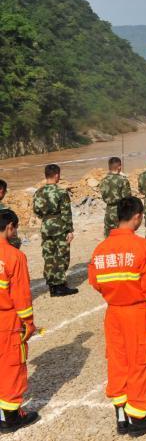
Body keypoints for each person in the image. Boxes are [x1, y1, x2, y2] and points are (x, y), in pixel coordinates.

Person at [88, 196, 146, 436]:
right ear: (137, 217)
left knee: (118, 362)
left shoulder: (101, 249)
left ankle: (121, 416)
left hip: (113, 313)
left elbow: (95, 281)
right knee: (141, 363)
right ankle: (139, 418)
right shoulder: (143, 247)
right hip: (137, 312)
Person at [0, 210, 39, 432]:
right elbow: (21, 295)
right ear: (10, 228)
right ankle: (11, 417)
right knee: (11, 366)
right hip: (6, 321)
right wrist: (28, 321)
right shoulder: (14, 256)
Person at [31, 164, 78, 296]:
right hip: (60, 226)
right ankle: (60, 286)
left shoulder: (38, 192)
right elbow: (66, 213)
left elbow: (37, 211)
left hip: (46, 226)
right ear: (57, 175)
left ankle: (52, 284)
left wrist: (47, 218)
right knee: (61, 255)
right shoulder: (61, 192)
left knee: (48, 255)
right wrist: (70, 230)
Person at [100, 156, 132, 238]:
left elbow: (104, 196)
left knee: (109, 235)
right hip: (120, 211)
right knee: (121, 235)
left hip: (108, 211)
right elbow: (127, 198)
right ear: (119, 167)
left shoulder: (103, 180)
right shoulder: (123, 180)